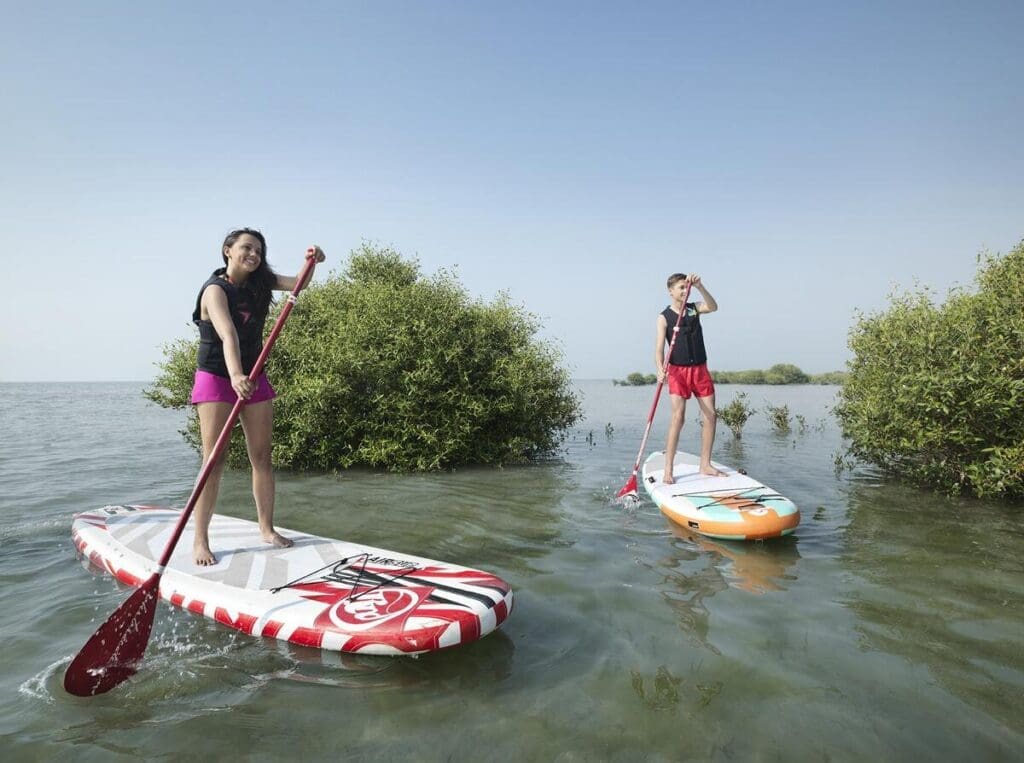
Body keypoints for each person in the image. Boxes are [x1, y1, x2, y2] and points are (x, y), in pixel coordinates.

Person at [189, 228, 326, 566]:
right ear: (227, 251)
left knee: (262, 457)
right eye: (246, 248)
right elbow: (228, 334)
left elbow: (299, 283)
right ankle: (199, 541)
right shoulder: (214, 290)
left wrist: (313, 262)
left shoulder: (261, 281)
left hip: (254, 375)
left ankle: (266, 528)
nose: (253, 254)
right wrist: (235, 376)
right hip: (218, 376)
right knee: (214, 461)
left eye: (258, 250)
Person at [655, 272, 725, 484]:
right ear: (670, 291)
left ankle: (705, 464)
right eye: (681, 288)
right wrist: (659, 368)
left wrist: (701, 287)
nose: (685, 291)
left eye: (687, 288)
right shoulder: (663, 317)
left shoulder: (694, 308)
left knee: (711, 415)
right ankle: (668, 469)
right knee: (679, 417)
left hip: (700, 369)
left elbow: (713, 307)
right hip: (678, 372)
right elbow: (659, 348)